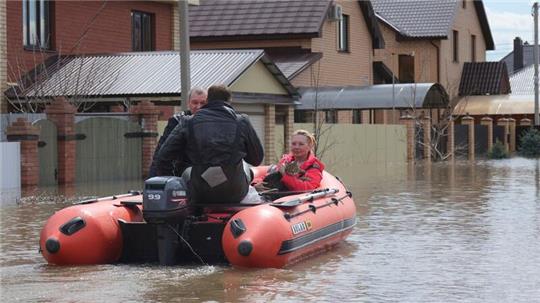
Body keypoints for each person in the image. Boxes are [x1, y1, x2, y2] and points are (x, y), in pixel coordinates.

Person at [154, 84, 264, 204]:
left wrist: (174, 186)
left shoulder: (188, 122)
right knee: (243, 164)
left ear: (207, 101)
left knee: (189, 171)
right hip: (235, 192)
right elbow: (256, 159)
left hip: (200, 193)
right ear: (229, 101)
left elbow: (163, 157)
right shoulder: (242, 121)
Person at [148, 87, 207, 177]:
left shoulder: (214, 123)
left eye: (202, 103)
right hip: (181, 173)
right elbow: (161, 152)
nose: (198, 107)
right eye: (195, 102)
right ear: (188, 103)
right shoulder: (177, 121)